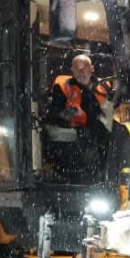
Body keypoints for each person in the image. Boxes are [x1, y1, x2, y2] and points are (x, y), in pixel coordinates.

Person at [45, 53, 111, 181]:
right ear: (72, 71)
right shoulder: (63, 88)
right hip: (75, 140)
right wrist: (64, 116)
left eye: (85, 67)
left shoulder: (105, 88)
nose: (82, 72)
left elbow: (113, 111)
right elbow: (53, 114)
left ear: (92, 68)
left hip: (101, 134)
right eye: (77, 69)